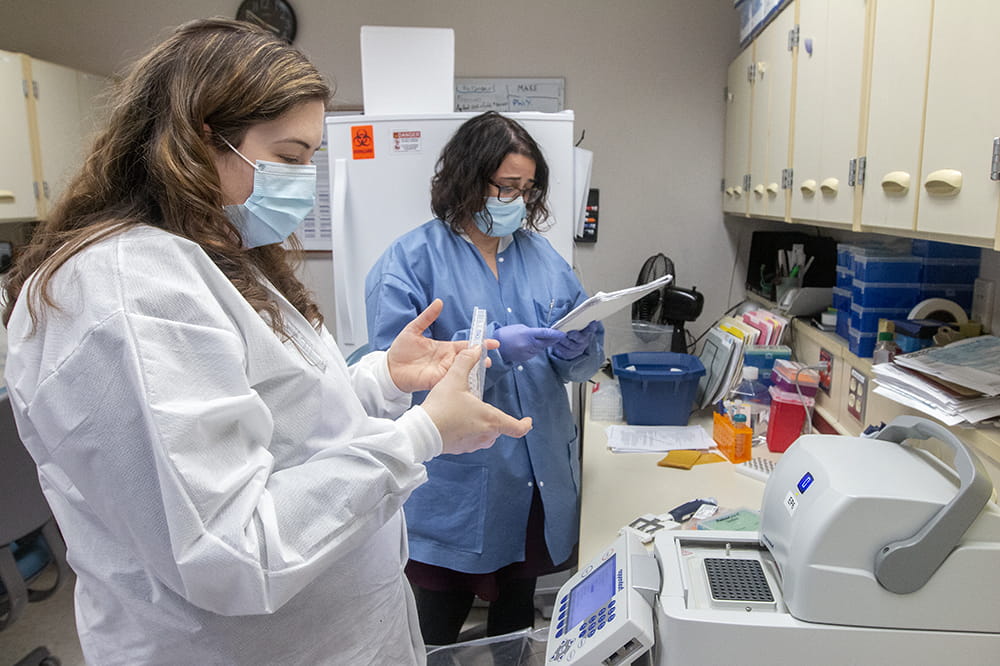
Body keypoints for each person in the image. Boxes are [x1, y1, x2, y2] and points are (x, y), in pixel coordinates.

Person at [1, 19, 532, 665]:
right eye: (288, 157)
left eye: (311, 158)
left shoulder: (215, 252)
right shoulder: (127, 289)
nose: (303, 182)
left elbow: (283, 424)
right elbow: (230, 553)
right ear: (201, 137)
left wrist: (383, 381)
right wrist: (421, 436)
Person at [365, 111, 605, 644]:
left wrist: (578, 347)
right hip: (456, 488)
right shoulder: (408, 263)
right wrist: (494, 351)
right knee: (433, 630)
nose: (517, 200)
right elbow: (392, 381)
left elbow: (580, 363)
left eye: (526, 188)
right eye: (506, 186)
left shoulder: (543, 258)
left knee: (517, 620)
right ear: (469, 179)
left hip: (535, 475)